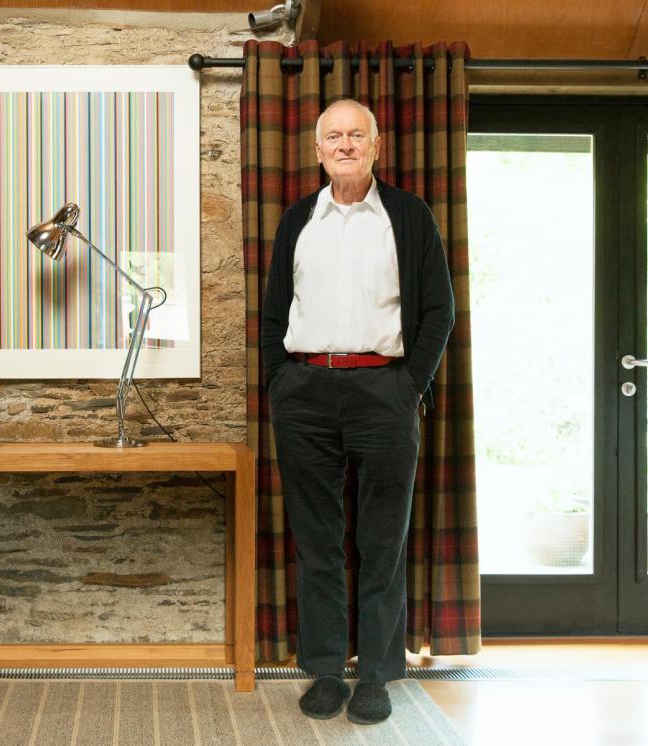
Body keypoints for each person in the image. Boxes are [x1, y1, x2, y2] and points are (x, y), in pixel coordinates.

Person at [260, 99, 455, 725]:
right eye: (333, 137)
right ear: (318, 151)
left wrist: (410, 387)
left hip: (384, 393)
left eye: (356, 135)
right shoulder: (298, 219)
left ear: (376, 146)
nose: (344, 145)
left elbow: (438, 312)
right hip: (306, 394)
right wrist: (280, 383)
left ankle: (375, 674)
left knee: (383, 542)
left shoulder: (408, 216)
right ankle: (324, 670)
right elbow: (271, 314)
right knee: (317, 543)